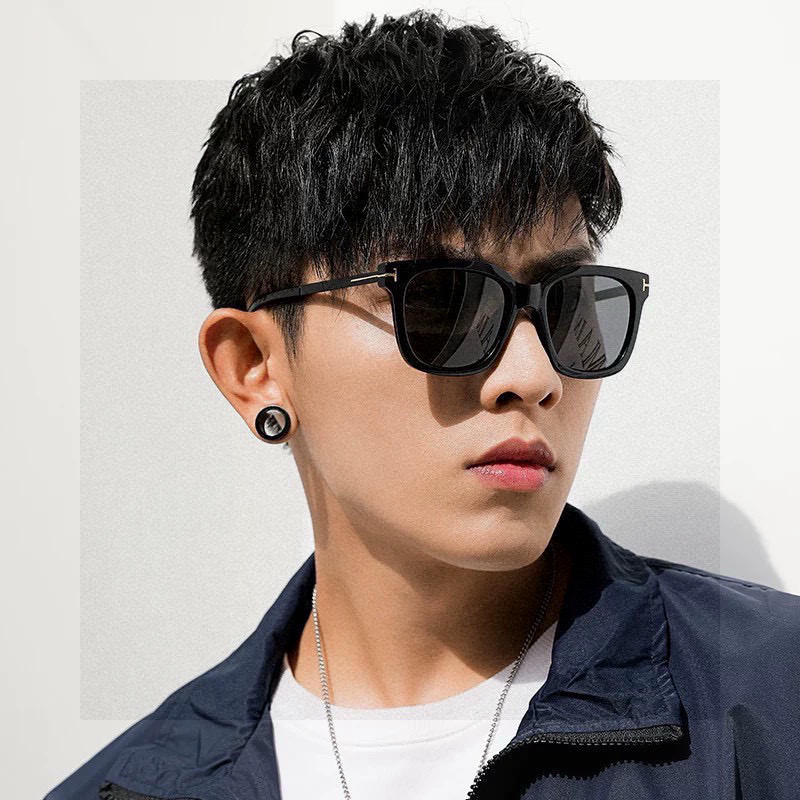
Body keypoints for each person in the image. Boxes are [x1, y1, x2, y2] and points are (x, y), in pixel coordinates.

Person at [46, 9, 799, 800]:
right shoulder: (133, 788)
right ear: (257, 367)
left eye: (568, 303)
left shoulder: (773, 704)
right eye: (441, 304)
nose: (533, 373)